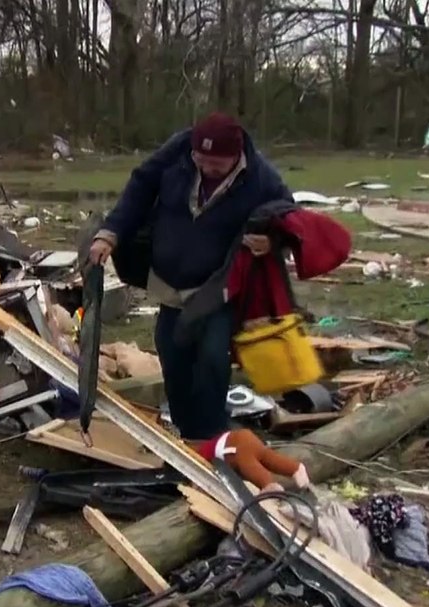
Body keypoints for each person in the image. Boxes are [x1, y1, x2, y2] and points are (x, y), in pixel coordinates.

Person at [83, 112, 294, 442]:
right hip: (170, 283)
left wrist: (272, 241)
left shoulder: (260, 177)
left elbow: (288, 215)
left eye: (216, 164)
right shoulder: (178, 152)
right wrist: (110, 232)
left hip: (215, 286)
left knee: (211, 355)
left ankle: (212, 435)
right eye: (201, 159)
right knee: (173, 353)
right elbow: (140, 187)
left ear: (235, 157)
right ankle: (186, 432)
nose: (207, 168)